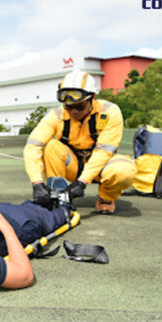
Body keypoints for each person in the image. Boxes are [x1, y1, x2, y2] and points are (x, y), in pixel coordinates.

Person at [23, 69, 137, 215]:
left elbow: (104, 152)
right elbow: (33, 146)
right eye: (68, 106)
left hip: (101, 166)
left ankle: (105, 198)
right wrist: (37, 183)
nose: (74, 111)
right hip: (74, 165)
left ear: (92, 98)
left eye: (79, 106)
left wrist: (82, 182)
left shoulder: (110, 112)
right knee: (51, 146)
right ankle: (59, 194)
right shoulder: (56, 116)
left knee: (125, 171)